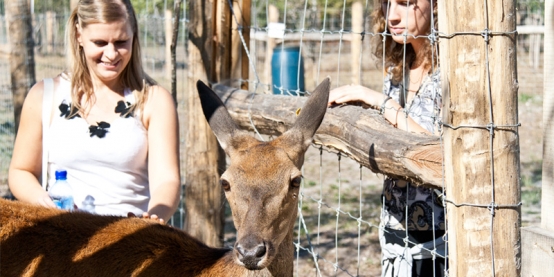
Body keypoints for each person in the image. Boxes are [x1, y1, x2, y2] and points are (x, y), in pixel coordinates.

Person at [8, 0, 180, 223]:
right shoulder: (44, 95)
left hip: (130, 240)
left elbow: (167, 180)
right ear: (79, 35)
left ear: (134, 36)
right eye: (100, 42)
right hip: (63, 240)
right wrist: (43, 202)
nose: (111, 54)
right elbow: (20, 171)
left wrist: (154, 217)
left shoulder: (154, 100)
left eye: (121, 42)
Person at [328, 0, 445, 276]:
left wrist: (380, 102)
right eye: (386, 3)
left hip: (442, 239)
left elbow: (439, 152)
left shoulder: (453, 74)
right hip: (394, 229)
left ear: (437, 6)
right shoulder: (397, 71)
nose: (391, 16)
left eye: (405, 3)